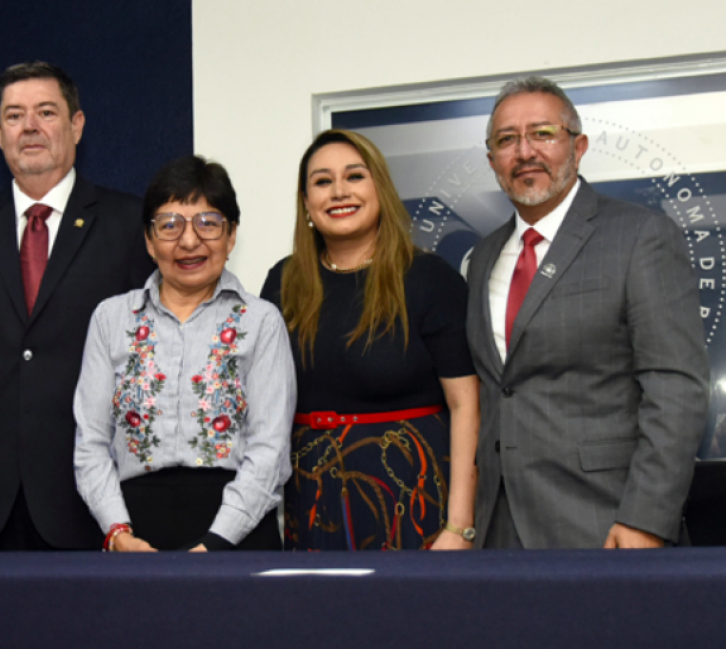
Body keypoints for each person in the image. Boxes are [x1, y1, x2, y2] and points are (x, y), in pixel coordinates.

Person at [0, 61, 154, 552]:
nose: (31, 127)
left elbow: (149, 360)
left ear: (77, 125)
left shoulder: (129, 222)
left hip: (92, 499)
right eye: (15, 116)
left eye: (46, 112)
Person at [468, 76, 709, 549]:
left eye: (543, 133)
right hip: (497, 531)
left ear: (578, 146)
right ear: (492, 160)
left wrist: (646, 517)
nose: (524, 151)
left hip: (606, 522)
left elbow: (675, 387)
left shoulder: (640, 235)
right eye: (506, 140)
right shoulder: (482, 258)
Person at [261, 129, 479, 551]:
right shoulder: (283, 282)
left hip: (411, 499)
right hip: (311, 503)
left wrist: (460, 526)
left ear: (380, 187)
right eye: (322, 182)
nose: (339, 191)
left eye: (355, 176)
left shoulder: (430, 278)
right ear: (306, 203)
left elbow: (466, 404)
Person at [74, 155, 295, 551]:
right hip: (134, 535)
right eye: (170, 225)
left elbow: (271, 449)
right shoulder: (110, 318)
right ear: (148, 238)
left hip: (238, 536)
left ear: (231, 236)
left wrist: (216, 542)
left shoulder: (261, 321)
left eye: (208, 223)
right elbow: (90, 442)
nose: (189, 241)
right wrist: (118, 532)